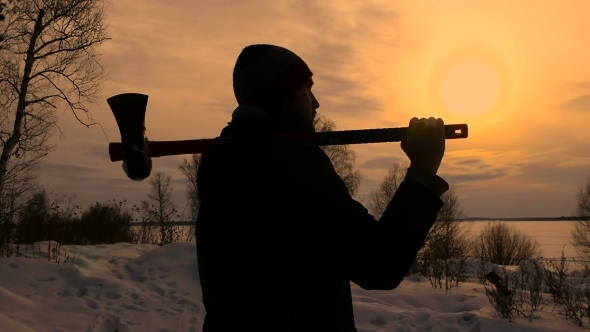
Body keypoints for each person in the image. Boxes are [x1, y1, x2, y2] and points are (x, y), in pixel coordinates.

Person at [196, 44, 449, 332]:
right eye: (307, 88)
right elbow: (379, 265)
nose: (316, 103)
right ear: (281, 94)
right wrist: (423, 171)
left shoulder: (221, 159)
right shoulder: (291, 164)